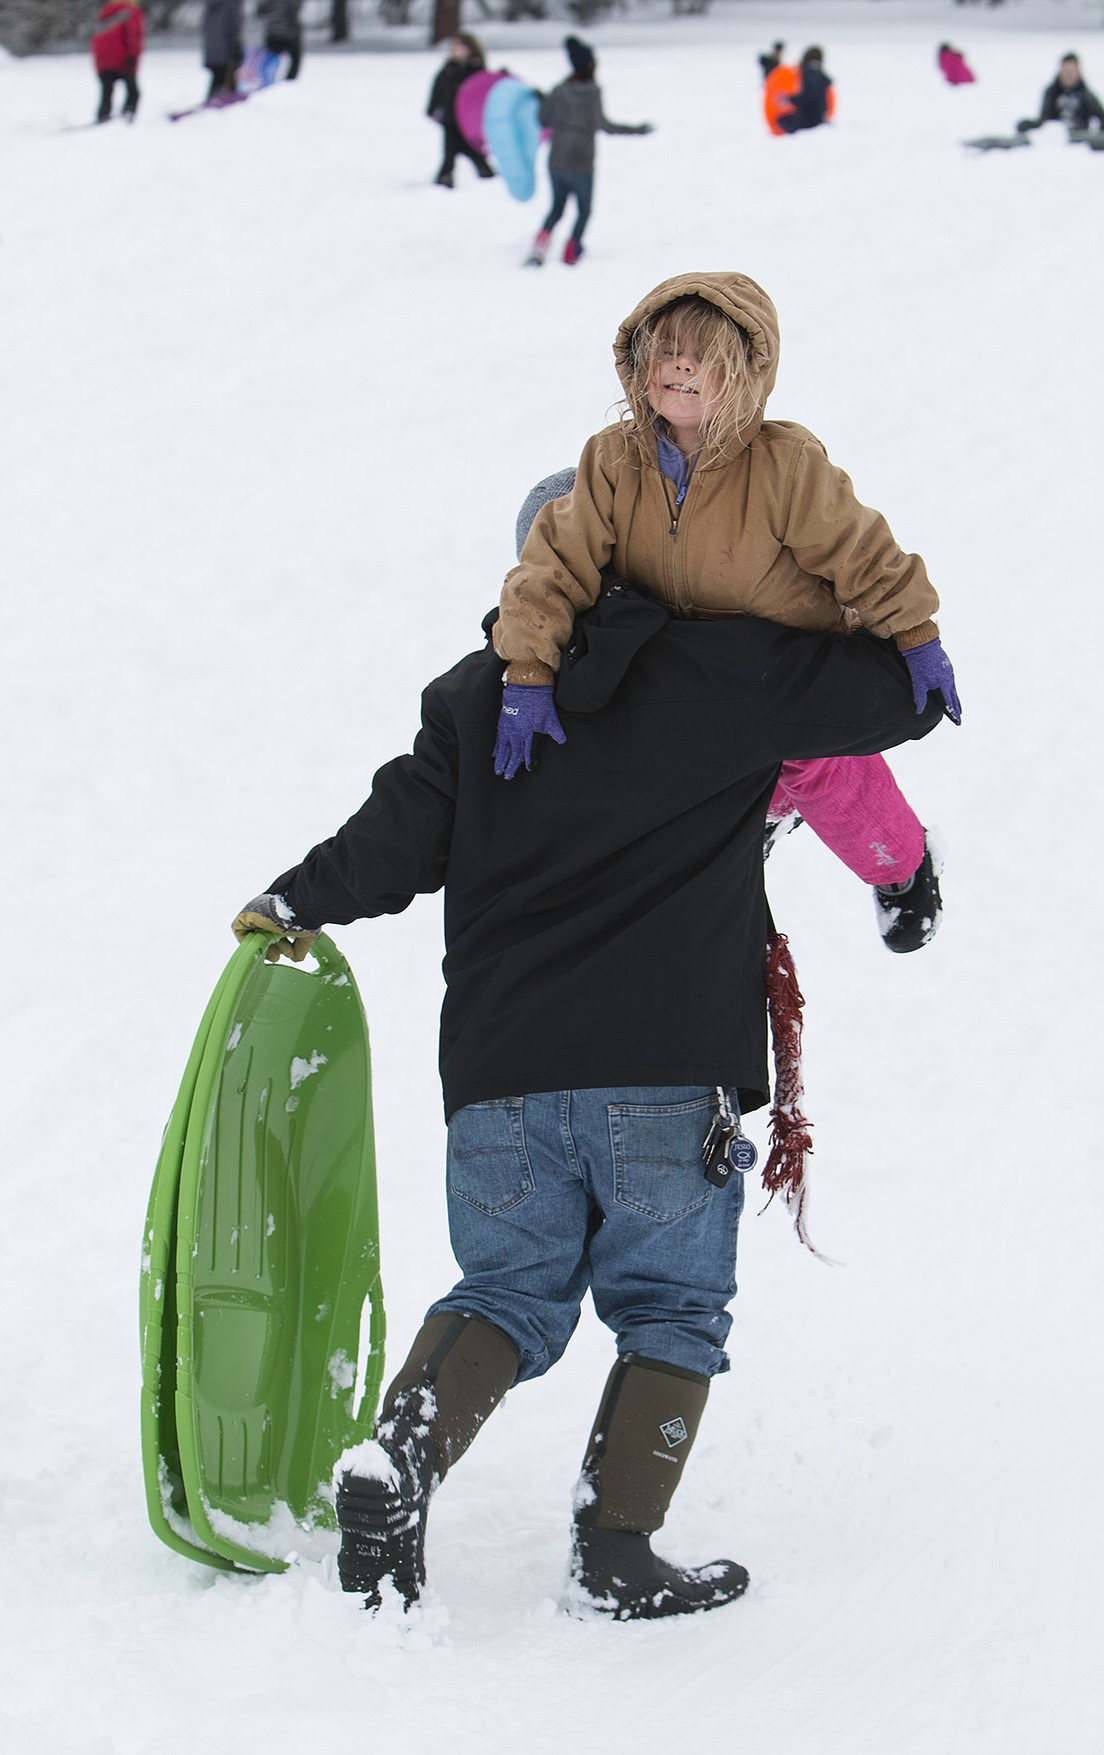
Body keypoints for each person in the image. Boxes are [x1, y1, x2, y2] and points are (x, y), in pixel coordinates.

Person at [232, 521, 945, 1619]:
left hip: (501, 1078)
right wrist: (906, 855)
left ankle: (400, 1463)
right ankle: (615, 1551)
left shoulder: (476, 700)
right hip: (666, 1072)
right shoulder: (722, 671)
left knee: (507, 1294)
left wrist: (294, 898)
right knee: (670, 1313)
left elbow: (392, 837)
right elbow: (856, 737)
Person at [492, 273, 959, 952]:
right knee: (688, 754)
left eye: (704, 356)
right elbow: (553, 565)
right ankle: (761, 807)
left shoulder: (783, 465)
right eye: (667, 353)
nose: (681, 367)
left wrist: (914, 631)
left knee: (812, 766)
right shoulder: (613, 461)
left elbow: (858, 549)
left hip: (784, 662)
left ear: (742, 376)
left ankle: (902, 864)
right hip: (690, 657)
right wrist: (528, 670)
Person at [526, 36, 652, 268]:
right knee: (583, 209)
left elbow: (543, 119)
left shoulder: (559, 90)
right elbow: (604, 125)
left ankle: (539, 246)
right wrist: (636, 130)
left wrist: (544, 100)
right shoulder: (592, 93)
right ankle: (572, 249)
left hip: (557, 160)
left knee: (556, 207)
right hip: (582, 162)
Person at [426, 32, 495, 189]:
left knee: (460, 147)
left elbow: (484, 93)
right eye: (453, 47)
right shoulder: (447, 70)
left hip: (466, 118)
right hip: (449, 118)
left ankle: (446, 176)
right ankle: (449, 175)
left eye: (459, 47)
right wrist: (432, 109)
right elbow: (437, 91)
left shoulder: (476, 71)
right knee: (455, 148)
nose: (454, 50)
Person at [1017, 53, 1104, 135]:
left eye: (1072, 72)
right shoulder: (1051, 92)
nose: (1069, 75)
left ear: (1078, 72)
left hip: (1079, 138)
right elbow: (1045, 119)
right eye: (1066, 71)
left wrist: (1095, 136)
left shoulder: (1086, 95)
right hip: (1056, 137)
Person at [91, 2, 144, 124]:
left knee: (107, 91)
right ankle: (127, 116)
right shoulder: (131, 11)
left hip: (103, 58)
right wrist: (133, 55)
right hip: (123, 58)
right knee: (133, 91)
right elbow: (133, 35)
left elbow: (97, 35)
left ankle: (103, 116)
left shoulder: (105, 10)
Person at [202, 0, 243, 102]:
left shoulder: (212, 4)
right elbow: (233, 27)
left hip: (212, 49)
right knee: (226, 77)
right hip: (225, 49)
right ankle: (231, 103)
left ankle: (213, 102)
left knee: (219, 77)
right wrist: (235, 46)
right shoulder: (232, 4)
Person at [257, 0, 304, 81]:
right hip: (289, 36)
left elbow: (260, 12)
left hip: (272, 35)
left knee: (269, 56)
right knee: (296, 57)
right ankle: (290, 79)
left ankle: (264, 76)